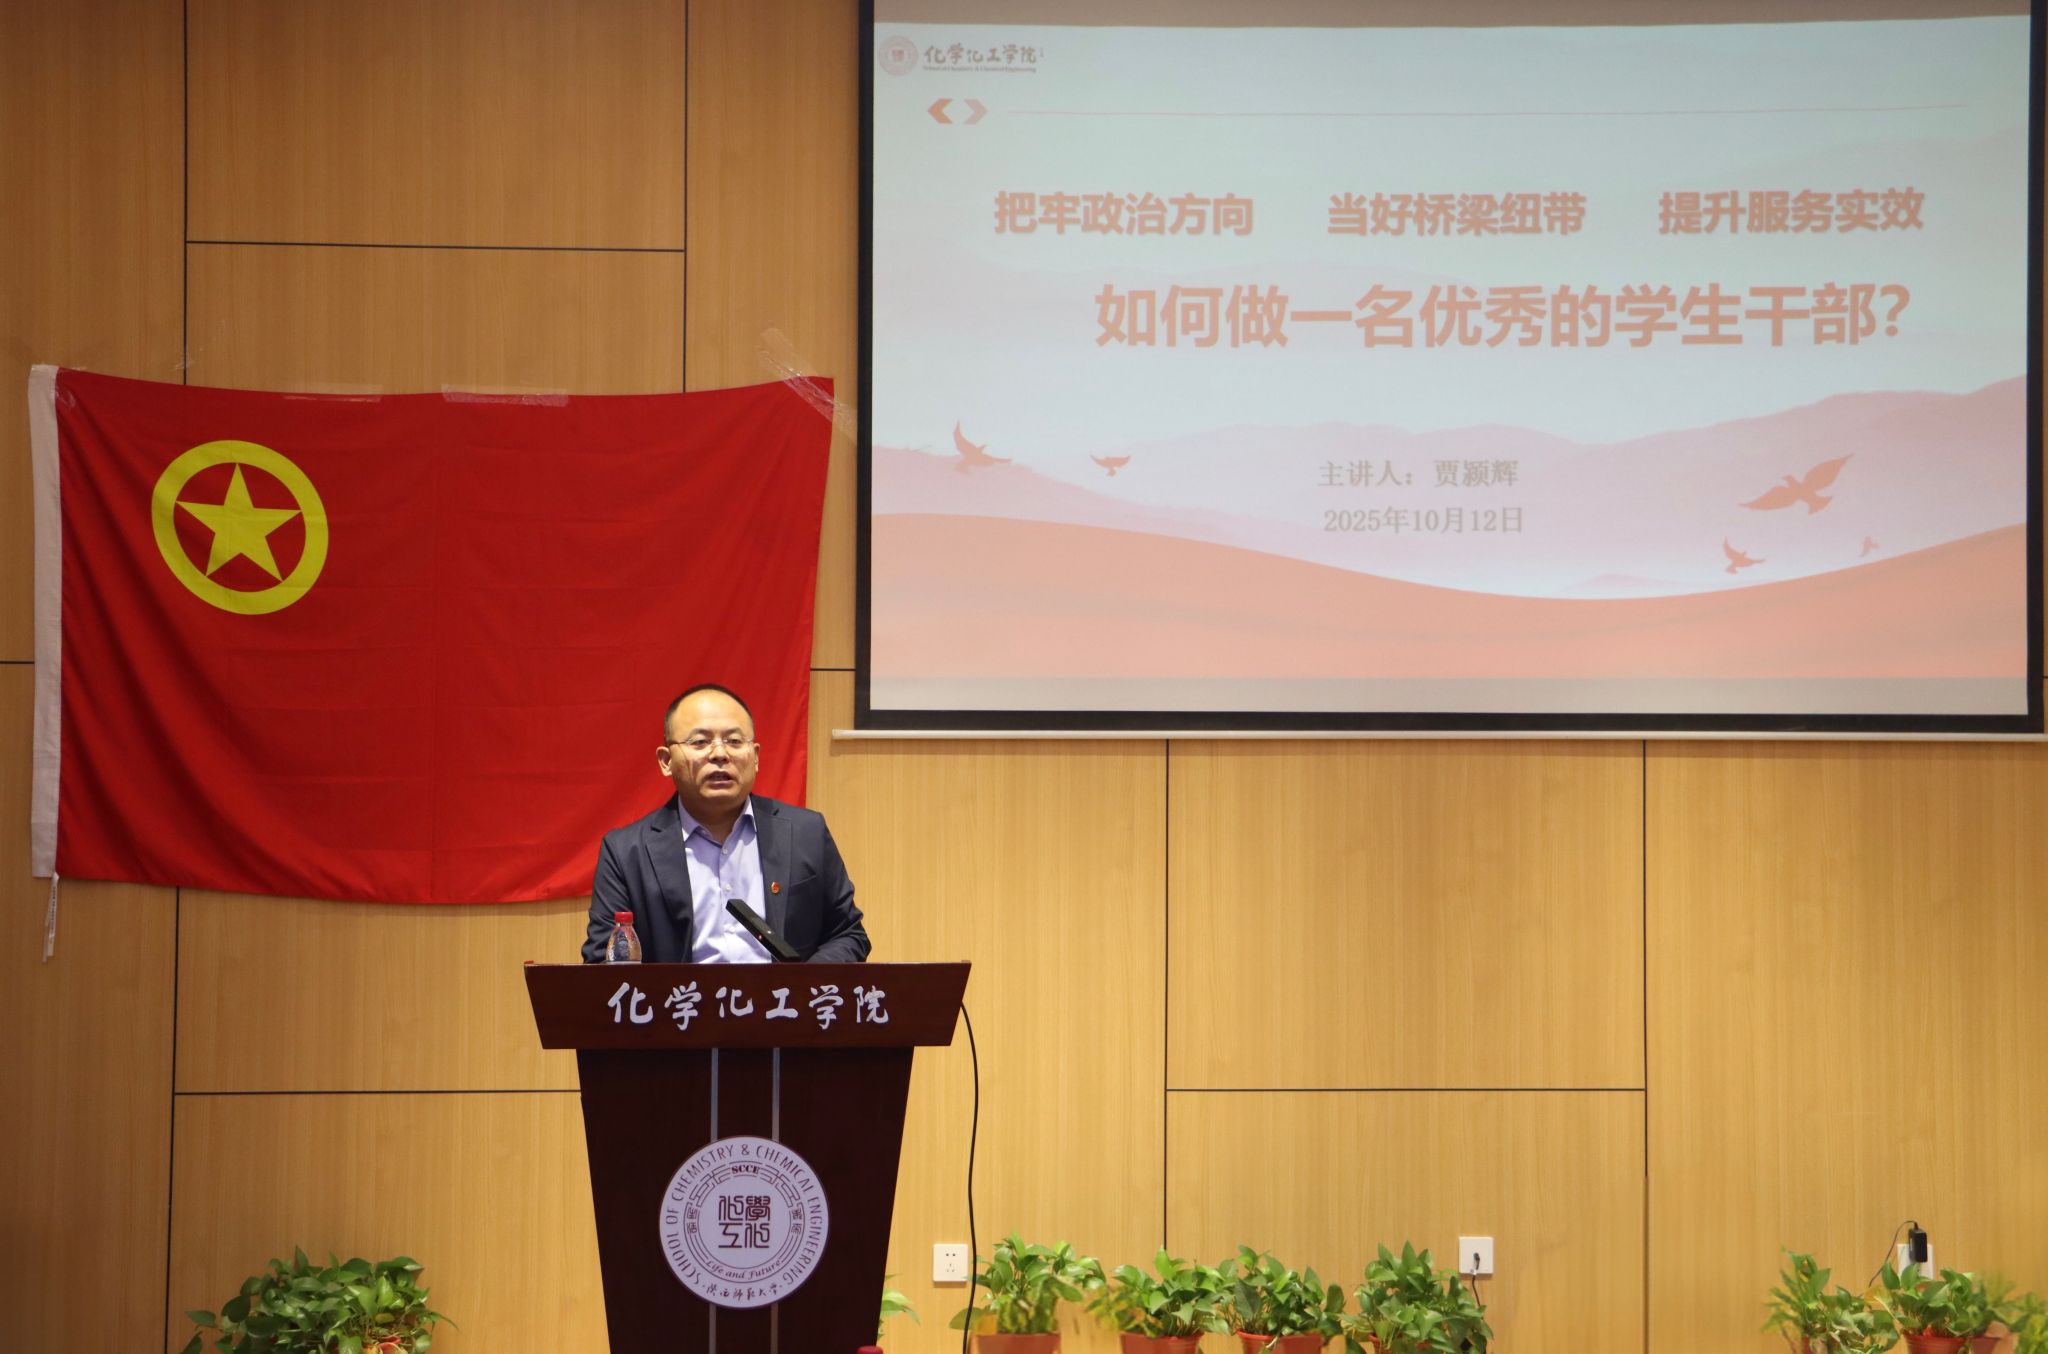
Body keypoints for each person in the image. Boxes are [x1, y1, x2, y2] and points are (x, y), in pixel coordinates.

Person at [581, 684, 869, 964]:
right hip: (682, 997)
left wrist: (802, 986)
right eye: (699, 742)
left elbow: (847, 934)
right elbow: (602, 961)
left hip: (784, 997)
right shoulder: (626, 852)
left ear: (755, 757)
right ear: (666, 761)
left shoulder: (806, 832)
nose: (720, 754)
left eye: (734, 741)